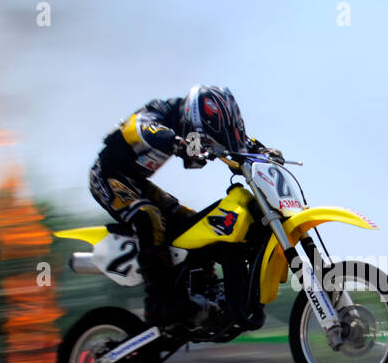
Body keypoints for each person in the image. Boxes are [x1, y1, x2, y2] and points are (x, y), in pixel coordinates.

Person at [88, 85, 277, 327]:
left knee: (192, 223)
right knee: (148, 217)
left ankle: (203, 290)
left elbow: (234, 144)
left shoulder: (193, 125)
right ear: (191, 118)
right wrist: (176, 143)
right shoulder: (159, 113)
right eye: (204, 137)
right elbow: (139, 128)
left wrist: (260, 151)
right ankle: (160, 302)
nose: (206, 142)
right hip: (107, 177)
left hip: (137, 183)